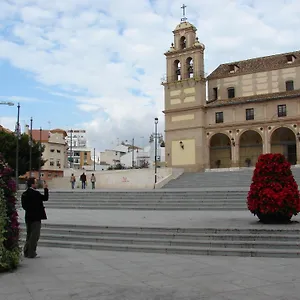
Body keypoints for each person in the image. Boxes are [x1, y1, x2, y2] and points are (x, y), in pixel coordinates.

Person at [21, 178, 49, 258]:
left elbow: (24, 206)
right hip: (36, 217)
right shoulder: (36, 194)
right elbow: (45, 198)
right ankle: (31, 252)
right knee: (35, 235)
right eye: (35, 183)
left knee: (29, 235)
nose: (36, 184)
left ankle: (26, 251)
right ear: (32, 184)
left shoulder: (24, 194)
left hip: (28, 217)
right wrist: (46, 188)